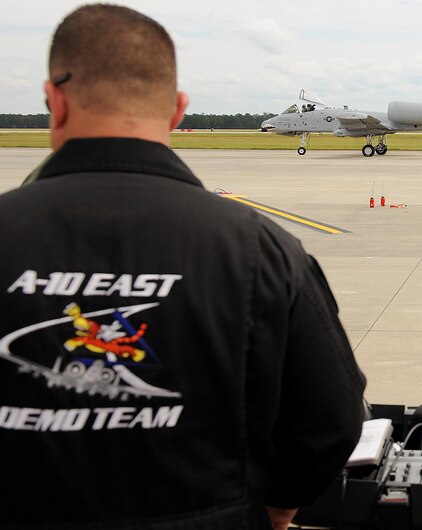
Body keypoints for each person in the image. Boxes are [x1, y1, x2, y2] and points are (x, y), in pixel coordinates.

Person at [0, 5, 366, 529]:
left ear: (53, 102)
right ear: (176, 109)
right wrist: (276, 507)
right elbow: (332, 418)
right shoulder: (262, 251)